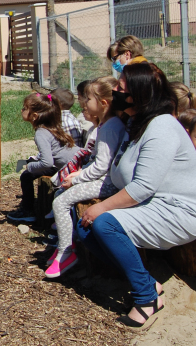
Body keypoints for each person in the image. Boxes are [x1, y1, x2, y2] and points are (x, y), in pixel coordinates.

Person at [78, 62, 196, 328]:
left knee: (103, 222)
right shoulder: (137, 123)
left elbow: (141, 187)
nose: (115, 92)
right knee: (85, 228)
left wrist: (100, 208)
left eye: (121, 88)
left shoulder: (162, 126)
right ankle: (145, 280)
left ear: (139, 95)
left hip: (180, 211)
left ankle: (146, 298)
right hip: (153, 205)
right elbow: (122, 174)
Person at [45, 77, 126, 278]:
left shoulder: (109, 127)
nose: (84, 102)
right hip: (103, 178)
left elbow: (101, 167)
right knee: (62, 194)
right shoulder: (107, 125)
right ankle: (66, 241)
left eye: (88, 98)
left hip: (107, 183)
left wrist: (78, 178)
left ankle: (66, 252)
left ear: (103, 103)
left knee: (61, 202)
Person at [7, 92, 79, 223]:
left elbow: (46, 162)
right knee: (28, 174)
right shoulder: (53, 126)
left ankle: (28, 210)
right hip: (74, 162)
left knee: (26, 174)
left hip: (71, 168)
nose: (21, 110)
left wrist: (30, 166)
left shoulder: (41, 133)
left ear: (34, 116)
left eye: (24, 108)